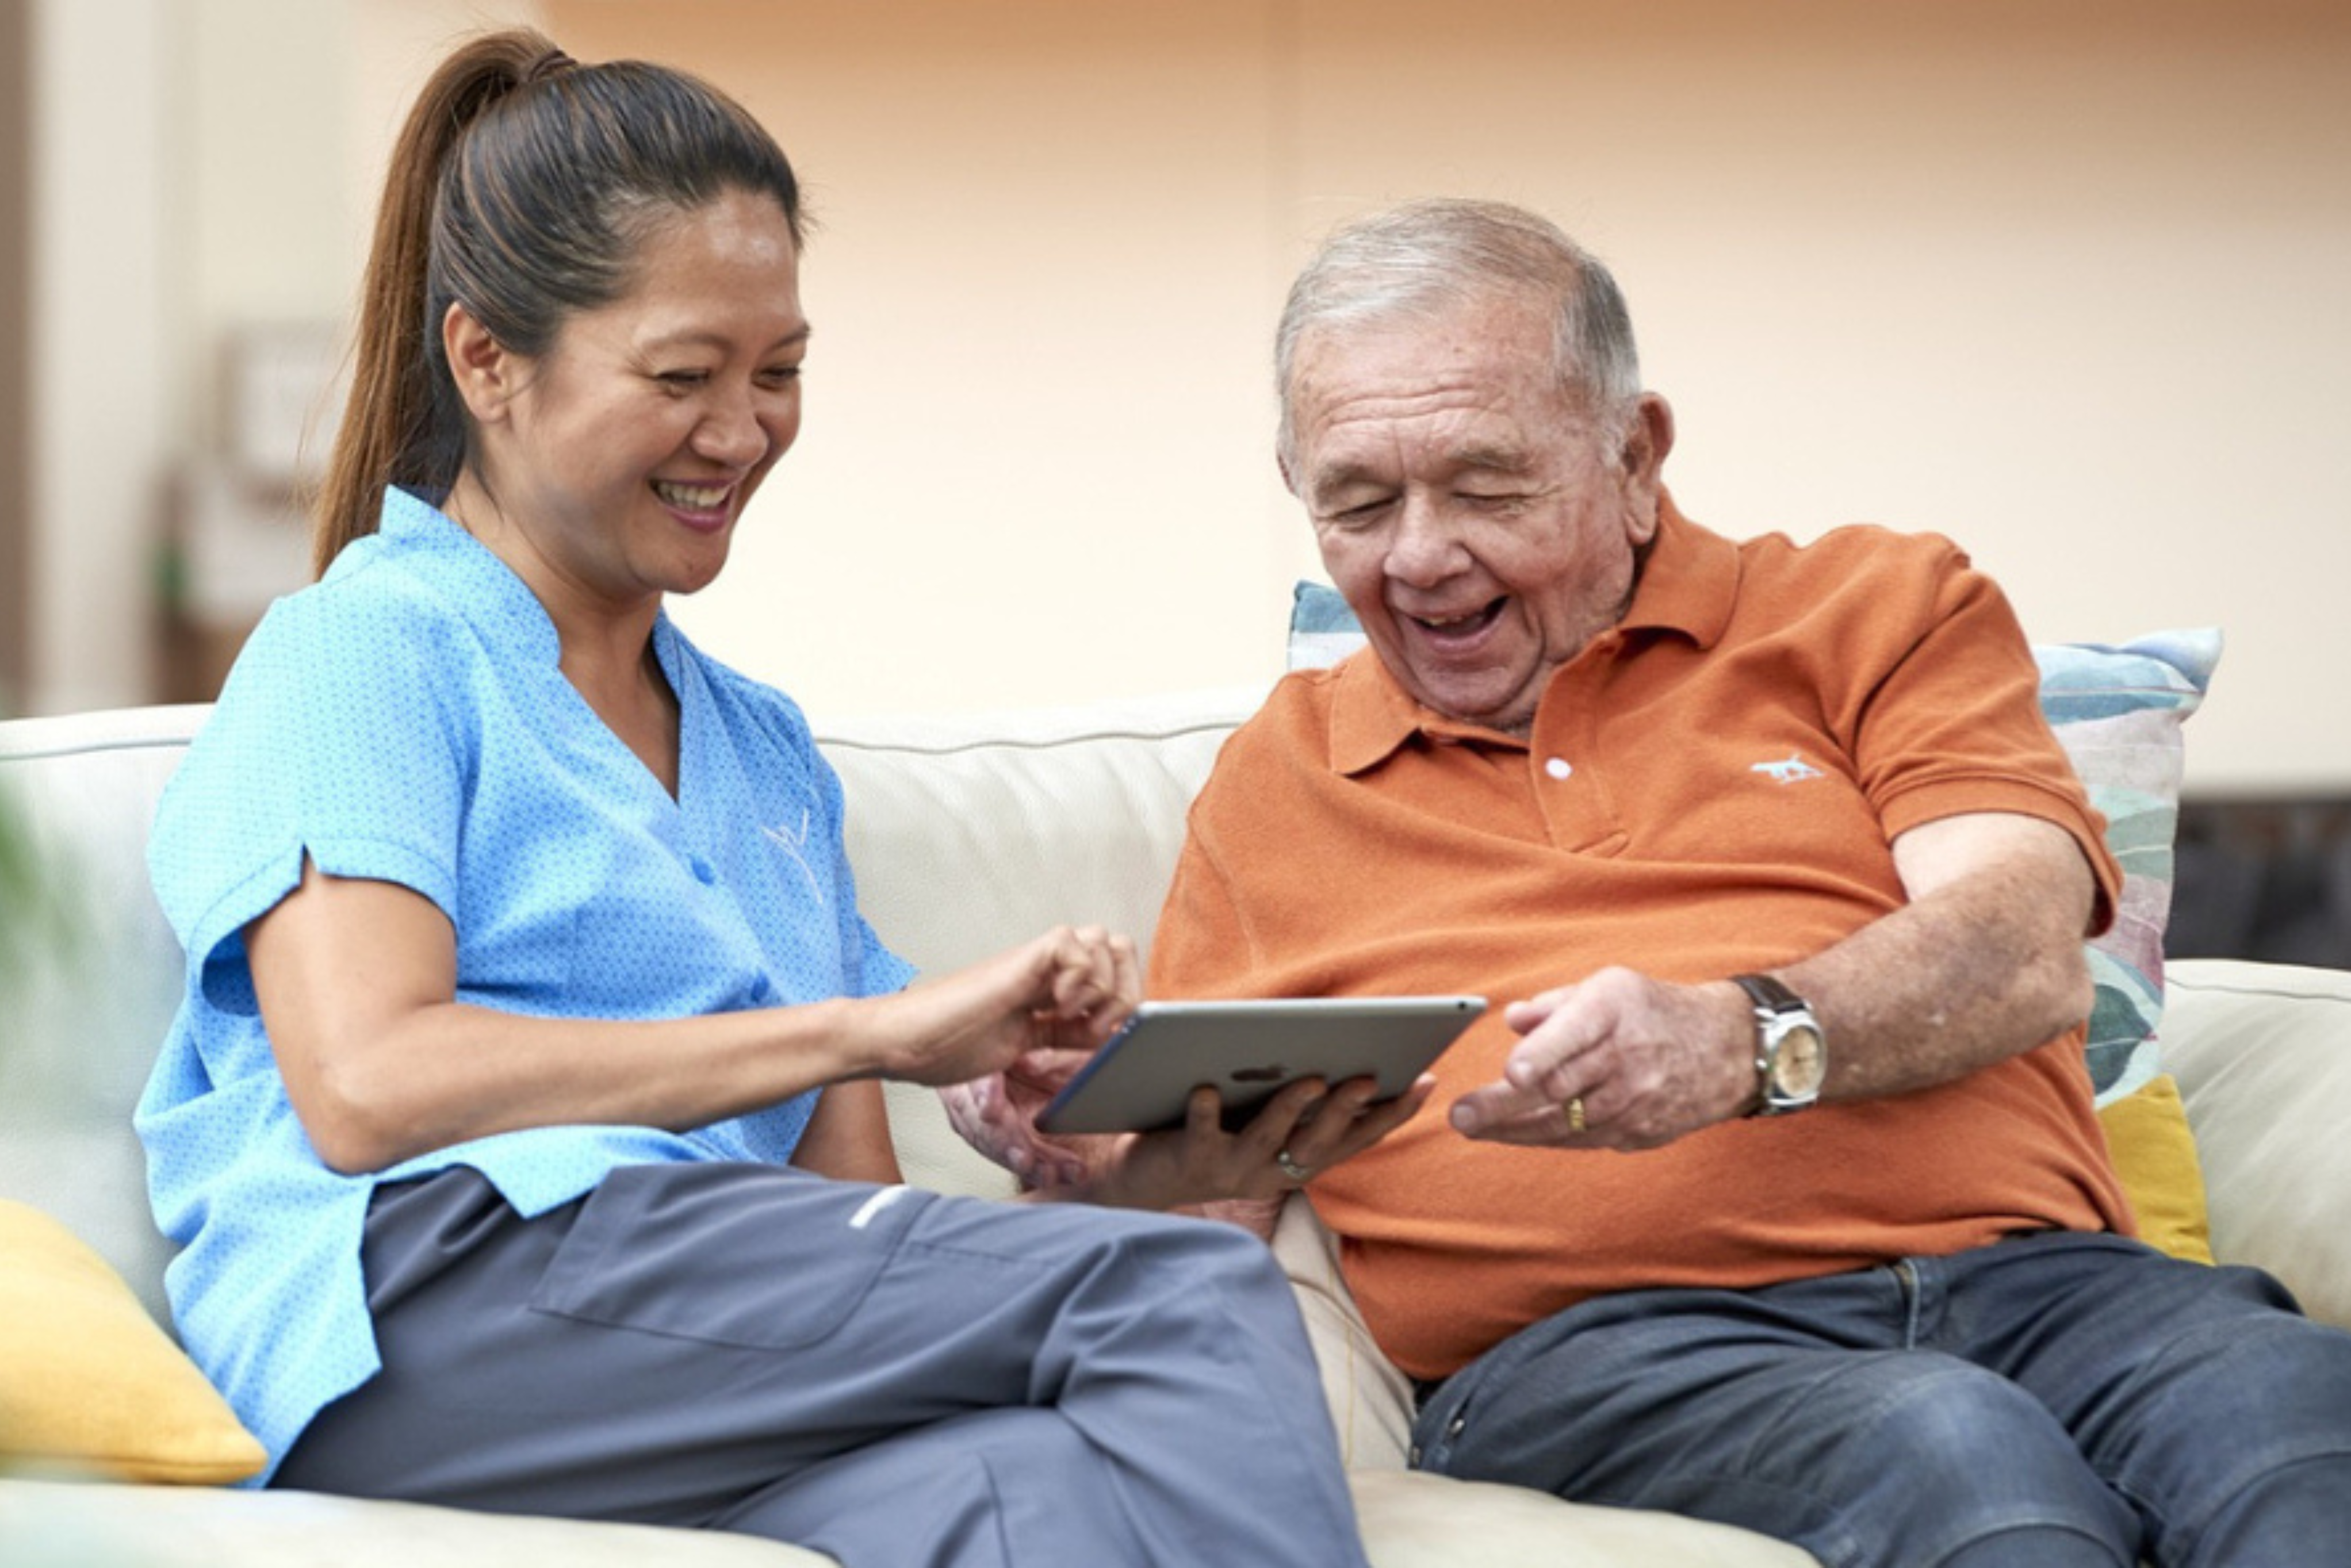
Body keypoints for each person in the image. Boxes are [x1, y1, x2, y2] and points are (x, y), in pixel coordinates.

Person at [133, 30, 1418, 1567]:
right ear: (489, 362)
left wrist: (1148, 1174)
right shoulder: (366, 649)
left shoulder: (759, 752)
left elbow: (848, 1223)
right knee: (1186, 1298)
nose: (742, 430)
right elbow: (364, 1081)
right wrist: (874, 1023)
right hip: (428, 1295)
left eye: (781, 371)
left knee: (1030, 1490)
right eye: (683, 375)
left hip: (668, 1352)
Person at [976, 198, 2351, 1566]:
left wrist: (1741, 1036)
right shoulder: (1284, 777)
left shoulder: (1872, 608)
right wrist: (1077, 1145)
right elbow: (1226, 1186)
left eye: (1485, 486)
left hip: (2048, 1283)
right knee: (1958, 1455)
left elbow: (2018, 944)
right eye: (1356, 501)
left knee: (2297, 1425)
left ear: (1635, 456)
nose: (1416, 555)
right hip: (1604, 1352)